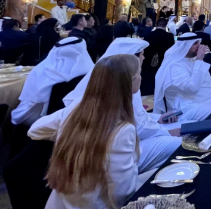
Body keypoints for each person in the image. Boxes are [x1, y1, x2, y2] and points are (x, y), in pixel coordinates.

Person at [29, 54, 140, 209]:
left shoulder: (75, 109)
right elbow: (122, 195)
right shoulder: (122, 130)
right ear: (129, 82)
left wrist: (73, 141)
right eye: (139, 74)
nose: (141, 78)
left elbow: (34, 130)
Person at [63, 38, 181, 173]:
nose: (144, 58)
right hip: (116, 151)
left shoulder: (129, 81)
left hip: (132, 138)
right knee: (179, 143)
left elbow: (139, 117)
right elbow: (136, 128)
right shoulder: (119, 86)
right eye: (142, 54)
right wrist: (166, 132)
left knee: (182, 128)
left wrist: (158, 119)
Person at [11, 37, 94, 126]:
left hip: (39, 122)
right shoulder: (92, 72)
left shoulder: (41, 70)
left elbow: (30, 100)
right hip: (78, 121)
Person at [154, 33, 211, 121]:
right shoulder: (174, 66)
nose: (199, 46)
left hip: (206, 99)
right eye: (195, 43)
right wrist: (199, 60)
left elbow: (206, 80)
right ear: (185, 46)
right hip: (187, 108)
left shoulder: (192, 60)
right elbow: (192, 88)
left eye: (198, 43)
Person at [140, 17, 175, 96]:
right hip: (164, 64)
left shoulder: (148, 35)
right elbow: (172, 51)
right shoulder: (169, 36)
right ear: (166, 25)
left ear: (156, 24)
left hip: (148, 64)